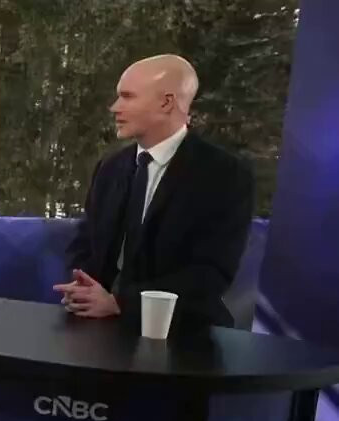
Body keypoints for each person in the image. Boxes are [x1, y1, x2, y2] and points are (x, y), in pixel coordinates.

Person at [56, 54, 254, 329]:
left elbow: (210, 273)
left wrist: (121, 303)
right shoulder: (110, 167)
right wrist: (82, 288)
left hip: (184, 333)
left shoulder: (225, 174)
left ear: (166, 102)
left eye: (127, 97)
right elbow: (85, 241)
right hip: (97, 326)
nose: (114, 107)